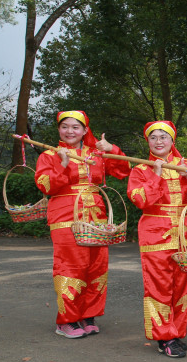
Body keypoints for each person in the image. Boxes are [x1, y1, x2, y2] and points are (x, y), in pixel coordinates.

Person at [35, 110, 130, 338]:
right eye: (65, 126)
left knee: (96, 266)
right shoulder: (50, 155)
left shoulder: (96, 153)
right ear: (59, 129)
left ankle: (88, 315)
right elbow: (45, 185)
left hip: (96, 217)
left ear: (85, 130)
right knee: (70, 266)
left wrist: (112, 149)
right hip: (65, 216)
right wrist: (62, 164)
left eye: (75, 127)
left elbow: (122, 171)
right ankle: (67, 320)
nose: (70, 131)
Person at [127, 120, 187, 358]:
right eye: (153, 138)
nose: (159, 142)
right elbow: (141, 200)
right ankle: (164, 336)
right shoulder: (141, 169)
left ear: (172, 140)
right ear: (147, 141)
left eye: (163, 137)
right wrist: (156, 174)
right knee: (159, 286)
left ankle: (176, 333)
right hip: (155, 235)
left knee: (183, 286)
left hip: (186, 234)